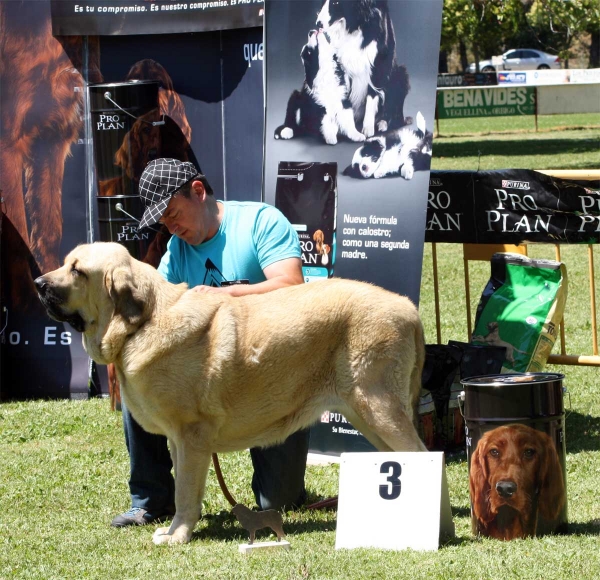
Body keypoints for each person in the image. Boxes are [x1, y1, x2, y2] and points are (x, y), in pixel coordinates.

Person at [111, 157, 309, 527]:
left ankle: (288, 490)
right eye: (163, 220)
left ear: (198, 192)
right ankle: (151, 499)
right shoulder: (176, 251)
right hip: (211, 375)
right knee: (139, 378)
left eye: (173, 213)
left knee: (279, 500)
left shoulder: (260, 221)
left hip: (271, 371)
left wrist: (224, 295)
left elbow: (291, 288)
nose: (170, 226)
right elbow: (157, 311)